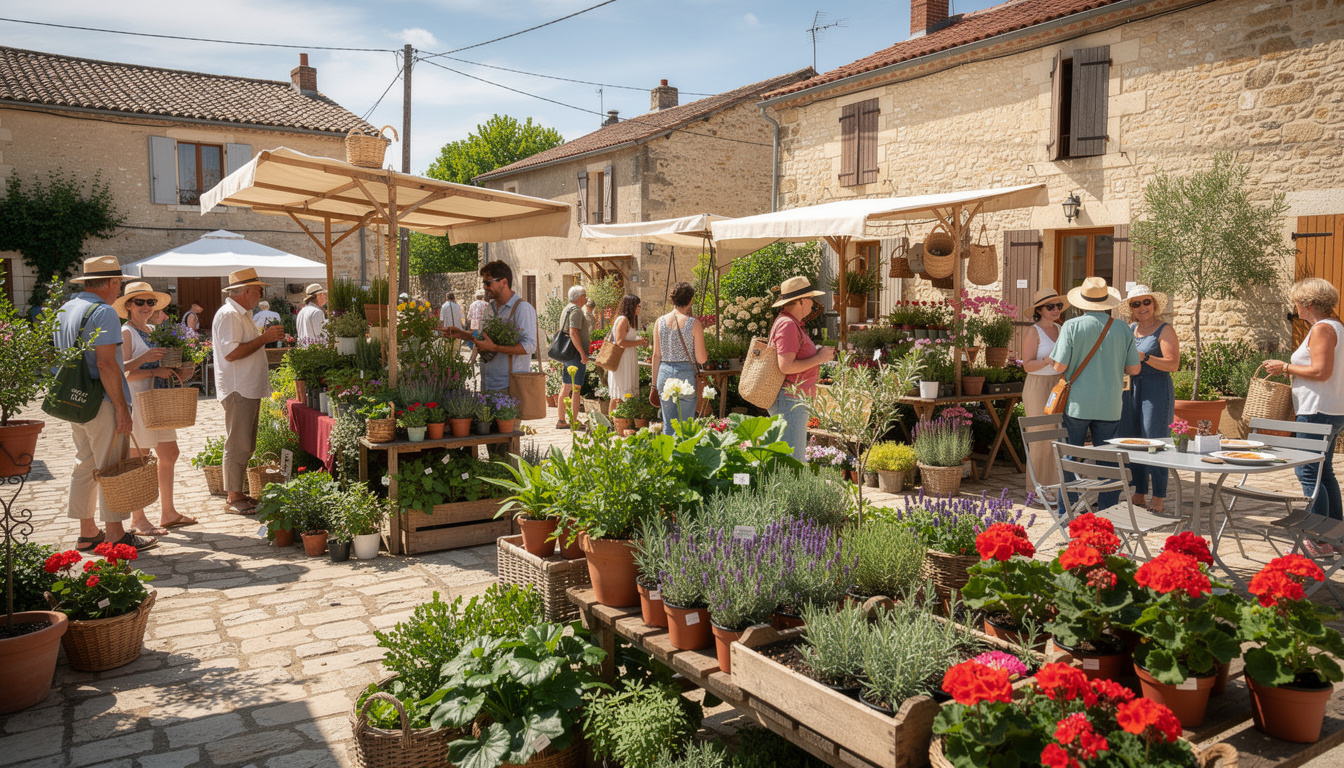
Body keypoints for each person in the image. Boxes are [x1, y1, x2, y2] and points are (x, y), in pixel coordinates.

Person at [54, 256, 155, 551]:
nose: (119, 290)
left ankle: (87, 532)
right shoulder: (104, 312)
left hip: (75, 398)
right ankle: (115, 534)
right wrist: (122, 407)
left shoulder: (66, 309)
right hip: (102, 399)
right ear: (112, 283)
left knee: (85, 462)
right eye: (119, 284)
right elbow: (107, 364)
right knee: (112, 465)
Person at [1263, 277, 1344, 555]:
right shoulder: (1335, 326)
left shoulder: (1322, 329)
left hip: (1317, 410)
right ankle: (1336, 538)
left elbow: (1321, 371)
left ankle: (1318, 539)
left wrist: (1285, 367)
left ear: (1308, 303)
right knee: (1324, 473)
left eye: (1297, 301)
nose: (1295, 306)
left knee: (1308, 471)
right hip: (1331, 409)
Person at [1049, 276, 1142, 510]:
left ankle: (1067, 511)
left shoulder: (1072, 326)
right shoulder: (1122, 328)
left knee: (1070, 458)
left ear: (1081, 303)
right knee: (1109, 461)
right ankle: (1109, 511)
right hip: (1110, 405)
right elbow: (1134, 369)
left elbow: (1059, 366)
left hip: (1077, 405)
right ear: (1107, 303)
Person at [115, 282, 197, 535]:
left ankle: (168, 513)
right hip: (140, 401)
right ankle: (138, 519)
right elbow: (123, 370)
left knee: (170, 453)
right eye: (139, 302)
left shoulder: (153, 330)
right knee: (139, 459)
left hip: (160, 400)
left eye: (150, 302)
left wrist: (181, 366)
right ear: (128, 305)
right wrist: (151, 365)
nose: (146, 307)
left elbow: (162, 362)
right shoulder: (126, 332)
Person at [214, 268, 285, 514]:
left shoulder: (242, 314)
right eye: (258, 289)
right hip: (238, 387)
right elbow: (232, 353)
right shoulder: (230, 315)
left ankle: (238, 492)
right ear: (245, 291)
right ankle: (233, 497)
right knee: (238, 443)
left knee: (245, 443)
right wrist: (264, 339)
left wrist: (263, 338)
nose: (260, 293)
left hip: (246, 387)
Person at [1119, 286, 1179, 514]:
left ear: (1154, 304)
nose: (1142, 307)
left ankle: (1160, 495)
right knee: (1134, 439)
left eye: (1146, 302)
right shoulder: (1130, 329)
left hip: (1155, 389)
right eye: (1136, 304)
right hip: (1131, 389)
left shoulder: (1164, 329)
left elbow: (1173, 364)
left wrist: (1145, 357)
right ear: (1131, 309)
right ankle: (1139, 492)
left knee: (1155, 441)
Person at [445, 261, 537, 395]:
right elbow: (484, 339)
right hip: (487, 382)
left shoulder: (522, 308)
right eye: (484, 283)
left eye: (488, 283)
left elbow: (530, 346)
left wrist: (495, 348)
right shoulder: (490, 308)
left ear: (503, 282)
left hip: (509, 385)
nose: (485, 287)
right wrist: (462, 334)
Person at [768, 277, 833, 461]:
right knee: (793, 461)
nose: (813, 303)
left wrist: (817, 355)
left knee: (790, 459)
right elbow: (786, 366)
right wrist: (819, 358)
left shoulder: (790, 323)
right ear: (800, 301)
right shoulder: (788, 325)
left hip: (791, 399)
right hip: (790, 399)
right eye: (811, 298)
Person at [1022, 289, 1068, 500]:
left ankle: (1054, 485)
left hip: (1058, 384)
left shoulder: (1060, 329)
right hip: (1038, 385)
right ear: (1039, 310)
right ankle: (1036, 488)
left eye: (1058, 305)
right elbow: (1027, 366)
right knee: (1040, 435)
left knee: (1057, 435)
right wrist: (1049, 360)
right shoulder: (1034, 331)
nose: (1056, 309)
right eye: (1050, 306)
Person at [650, 281, 708, 428]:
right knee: (685, 425)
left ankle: (669, 451)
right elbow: (701, 358)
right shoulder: (693, 324)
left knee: (668, 424)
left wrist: (653, 385)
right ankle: (683, 451)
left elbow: (656, 356)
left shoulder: (659, 322)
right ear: (690, 300)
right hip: (685, 375)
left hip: (664, 373)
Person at [554, 285, 590, 429]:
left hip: (567, 353)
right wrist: (582, 353)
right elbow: (573, 332)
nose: (586, 298)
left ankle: (561, 420)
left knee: (566, 386)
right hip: (575, 353)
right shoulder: (576, 310)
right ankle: (574, 421)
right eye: (585, 295)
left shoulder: (566, 308)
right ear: (579, 297)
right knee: (576, 388)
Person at [606, 294, 648, 403]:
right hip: (622, 358)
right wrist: (639, 342)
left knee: (625, 390)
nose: (639, 309)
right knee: (618, 393)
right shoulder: (623, 320)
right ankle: (614, 419)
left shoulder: (628, 320)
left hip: (628, 357)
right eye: (638, 306)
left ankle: (622, 418)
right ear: (631, 306)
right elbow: (620, 342)